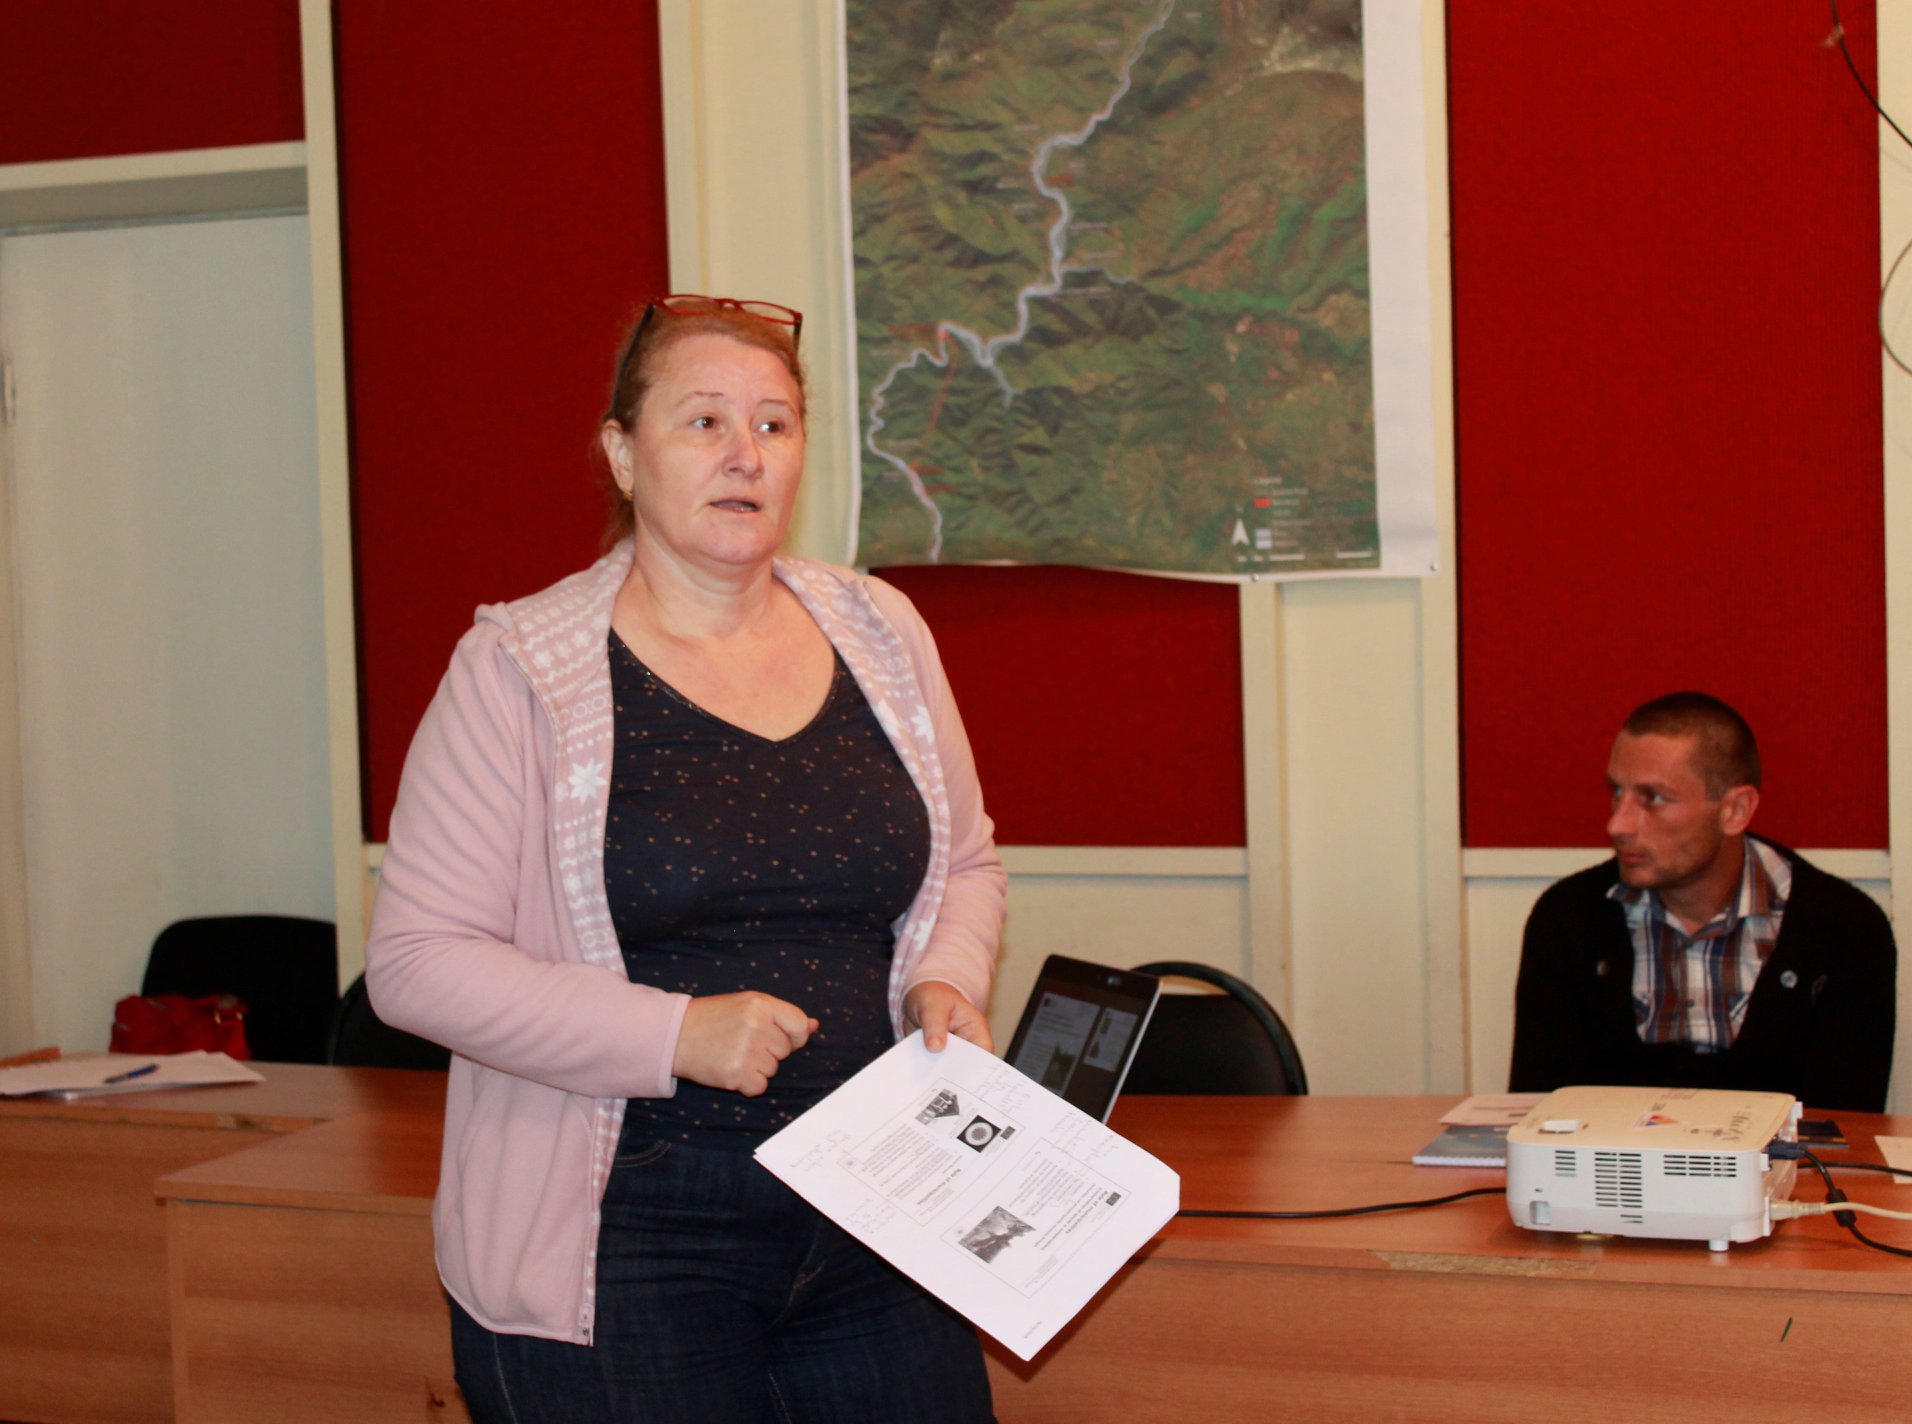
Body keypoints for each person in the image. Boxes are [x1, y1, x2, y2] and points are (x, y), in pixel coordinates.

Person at [366, 294, 1004, 1422]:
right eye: (704, 421)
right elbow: (417, 962)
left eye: (773, 424)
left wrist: (943, 980)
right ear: (623, 455)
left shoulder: (883, 630)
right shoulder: (515, 668)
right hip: (630, 1231)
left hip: (879, 1199)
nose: (744, 454)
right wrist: (676, 1033)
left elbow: (965, 865)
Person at [1508, 691, 1895, 1112]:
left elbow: (1845, 1129)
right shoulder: (1568, 919)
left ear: (1735, 811)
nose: (1617, 824)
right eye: (1617, 792)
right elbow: (1539, 1114)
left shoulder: (1843, 929)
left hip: (1784, 1159)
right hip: (1605, 1158)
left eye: (1654, 798)